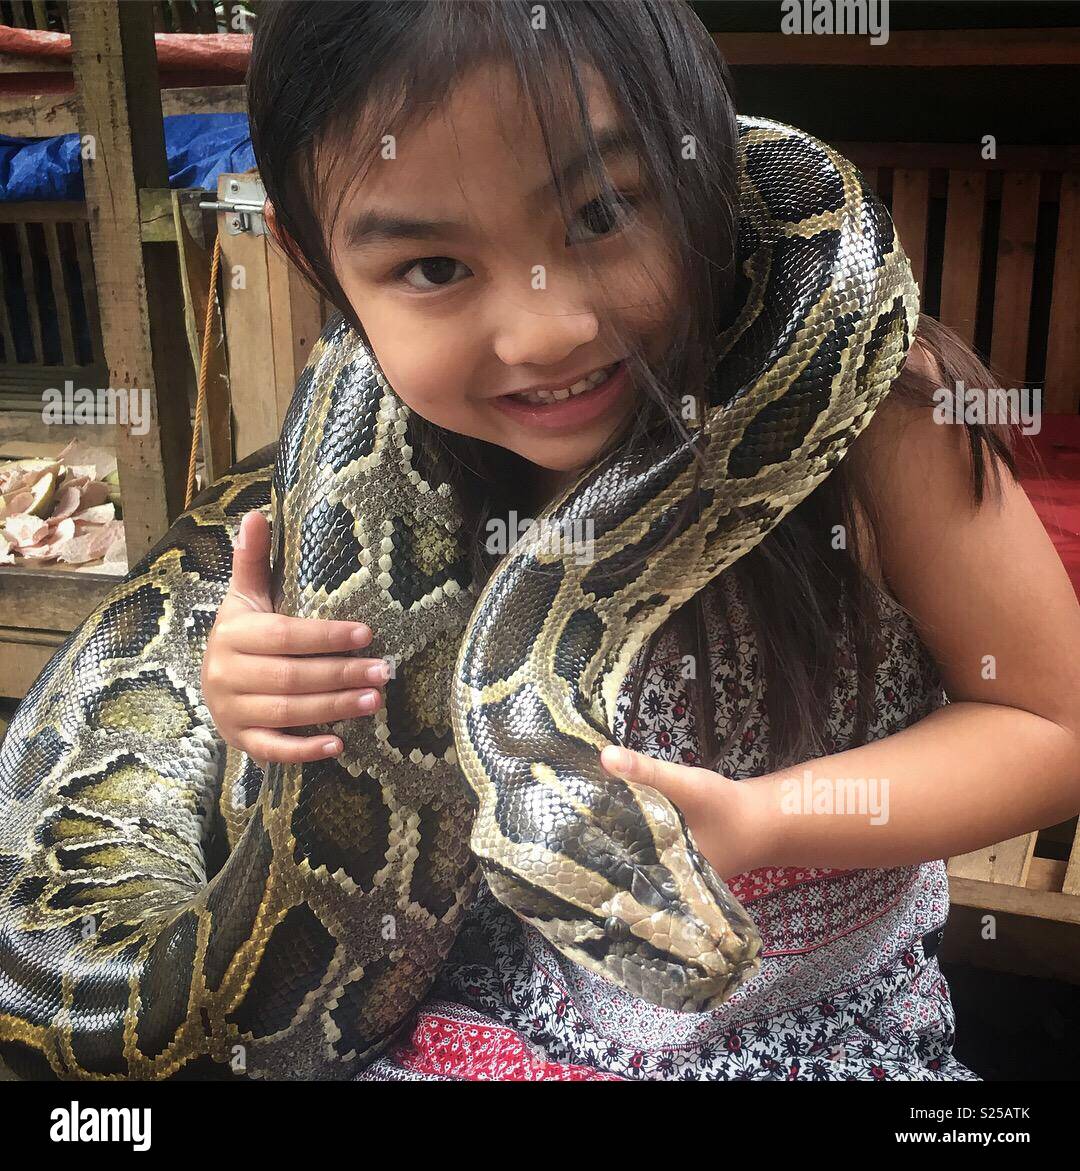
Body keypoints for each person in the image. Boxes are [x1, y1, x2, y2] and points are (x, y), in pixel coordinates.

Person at [200, 0, 1080, 1080]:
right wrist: (250, 693)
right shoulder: (410, 483)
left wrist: (765, 823)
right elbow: (345, 785)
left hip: (810, 1029)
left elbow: (1054, 720)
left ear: (711, 174)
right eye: (433, 267)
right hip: (506, 1005)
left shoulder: (882, 421)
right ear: (314, 263)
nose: (547, 329)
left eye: (603, 210)